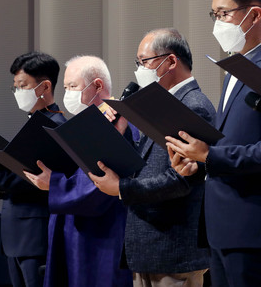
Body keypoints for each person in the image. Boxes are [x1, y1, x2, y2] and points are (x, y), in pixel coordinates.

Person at [166, 0, 261, 287]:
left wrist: (210, 156)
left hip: (255, 229)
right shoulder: (235, 70)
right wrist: (196, 163)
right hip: (222, 227)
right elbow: (227, 145)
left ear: (254, 15)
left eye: (224, 14)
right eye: (214, 14)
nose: (217, 23)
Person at [89, 28, 213, 287]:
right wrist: (120, 133)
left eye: (144, 61)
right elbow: (142, 164)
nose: (139, 69)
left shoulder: (193, 105)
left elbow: (181, 180)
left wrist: (121, 188)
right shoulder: (162, 103)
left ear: (170, 61)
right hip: (148, 246)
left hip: (173, 248)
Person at [24, 55, 132, 287]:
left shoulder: (117, 121)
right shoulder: (87, 122)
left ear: (98, 86)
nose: (68, 94)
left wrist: (53, 184)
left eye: (73, 86)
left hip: (100, 234)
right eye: (65, 88)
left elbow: (99, 183)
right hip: (75, 229)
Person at [0, 51, 65, 287]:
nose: (18, 93)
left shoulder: (55, 125)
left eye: (22, 86)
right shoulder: (34, 122)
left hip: (35, 235)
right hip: (18, 236)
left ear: (44, 87)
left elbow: (34, 177)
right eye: (15, 87)